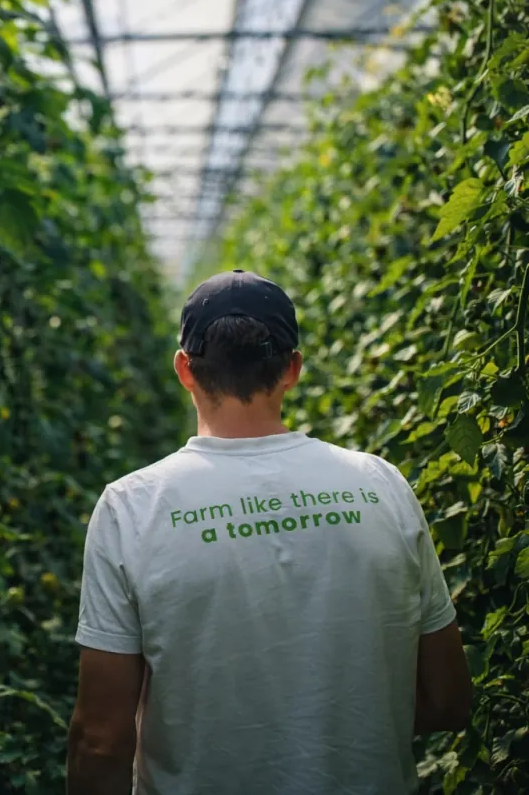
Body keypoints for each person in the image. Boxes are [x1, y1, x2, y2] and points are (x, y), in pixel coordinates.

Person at [65, 270, 472, 795]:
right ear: (293, 369)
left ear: (185, 370)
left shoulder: (132, 507)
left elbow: (100, 739)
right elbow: (447, 700)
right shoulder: (381, 486)